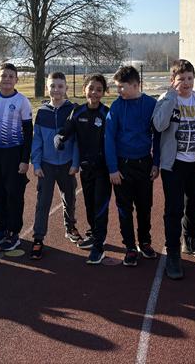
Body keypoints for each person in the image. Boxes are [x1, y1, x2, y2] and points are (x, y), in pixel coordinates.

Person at [153, 59, 195, 279]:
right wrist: (171, 97)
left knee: (194, 205)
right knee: (174, 208)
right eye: (181, 79)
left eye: (190, 78)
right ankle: (172, 253)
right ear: (172, 80)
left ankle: (190, 241)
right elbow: (159, 125)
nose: (186, 83)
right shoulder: (165, 99)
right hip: (173, 164)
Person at [105, 65, 160, 267]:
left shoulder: (151, 104)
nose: (118, 90)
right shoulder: (116, 107)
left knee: (145, 207)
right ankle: (130, 247)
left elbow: (158, 136)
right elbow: (109, 138)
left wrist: (156, 162)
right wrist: (113, 168)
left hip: (144, 164)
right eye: (117, 86)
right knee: (124, 208)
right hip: (122, 166)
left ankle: (144, 242)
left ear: (136, 85)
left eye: (121, 87)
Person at [55, 74, 111, 265]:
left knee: (100, 206)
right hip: (86, 168)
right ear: (84, 89)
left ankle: (99, 247)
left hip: (103, 169)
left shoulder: (106, 113)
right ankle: (94, 234)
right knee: (89, 205)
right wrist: (59, 138)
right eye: (91, 88)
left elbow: (114, 140)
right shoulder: (77, 112)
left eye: (99, 89)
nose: (94, 93)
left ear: (104, 92)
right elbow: (65, 130)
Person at [0, 63, 33, 252]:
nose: (7, 79)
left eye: (11, 76)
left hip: (14, 153)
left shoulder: (22, 101)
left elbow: (28, 133)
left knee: (14, 194)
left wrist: (25, 159)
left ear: (16, 80)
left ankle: (13, 233)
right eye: (3, 76)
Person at [30, 71, 80, 260]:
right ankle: (38, 237)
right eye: (52, 86)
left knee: (70, 200)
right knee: (43, 203)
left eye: (60, 86)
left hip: (67, 165)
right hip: (46, 165)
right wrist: (36, 163)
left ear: (66, 88)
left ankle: (70, 227)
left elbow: (77, 140)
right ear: (47, 88)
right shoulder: (42, 112)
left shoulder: (73, 110)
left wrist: (75, 162)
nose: (56, 89)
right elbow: (37, 140)